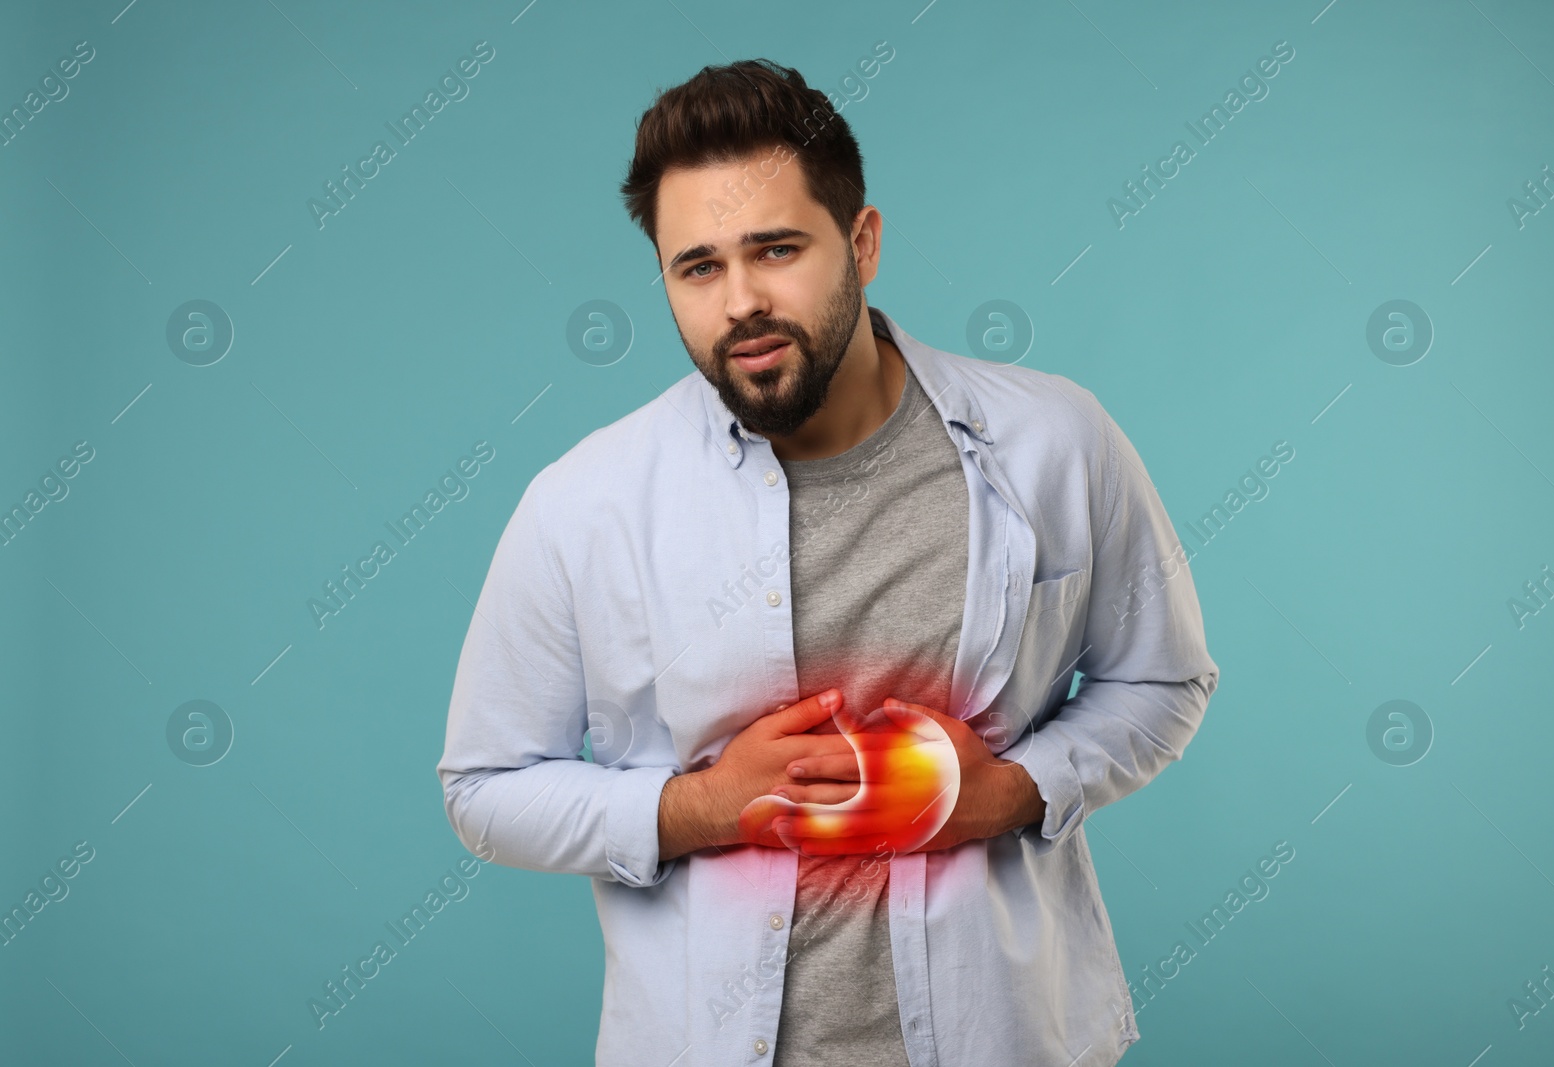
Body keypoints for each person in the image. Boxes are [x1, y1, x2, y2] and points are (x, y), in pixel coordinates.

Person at [436, 57, 1218, 1067]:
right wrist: (704, 806)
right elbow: (485, 786)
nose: (741, 301)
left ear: (863, 241)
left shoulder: (1052, 440)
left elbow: (1163, 677)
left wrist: (1010, 789)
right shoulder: (585, 503)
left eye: (776, 249)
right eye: (699, 266)